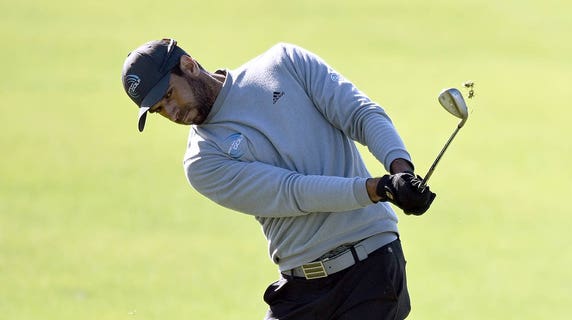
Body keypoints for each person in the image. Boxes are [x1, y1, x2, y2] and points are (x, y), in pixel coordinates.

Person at [121, 38, 437, 320]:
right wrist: (377, 189)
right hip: (301, 289)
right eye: (161, 110)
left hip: (371, 268)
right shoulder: (202, 161)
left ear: (188, 65)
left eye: (169, 95)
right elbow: (292, 192)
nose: (173, 113)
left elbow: (360, 114)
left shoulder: (284, 63)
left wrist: (401, 172)